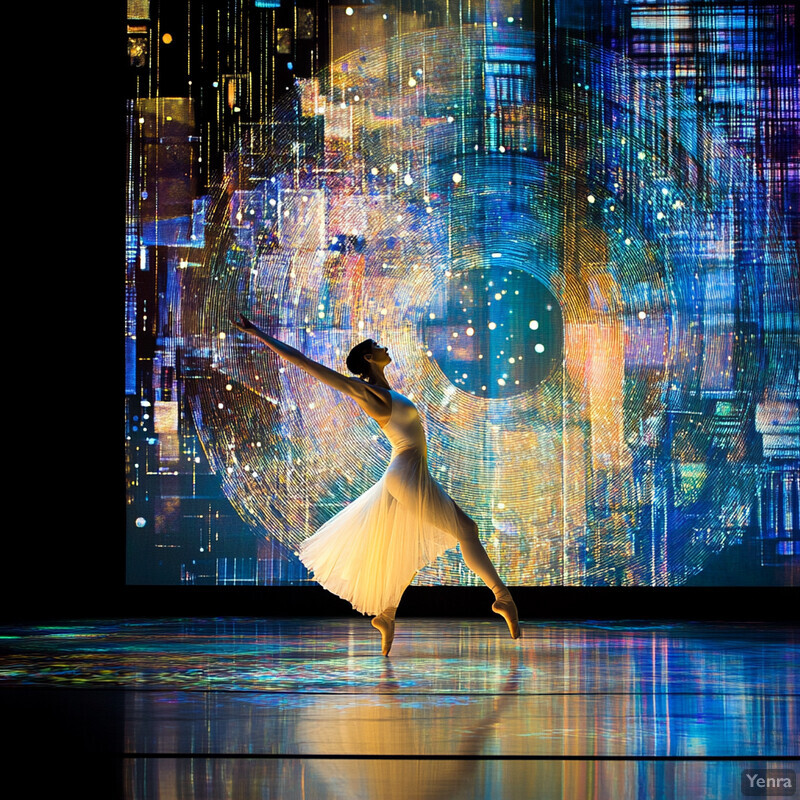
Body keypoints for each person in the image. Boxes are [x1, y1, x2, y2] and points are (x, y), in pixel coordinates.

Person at [231, 314, 520, 654]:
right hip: (407, 474)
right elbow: (306, 363)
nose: (384, 347)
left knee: (409, 550)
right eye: (377, 346)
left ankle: (386, 614)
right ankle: (503, 599)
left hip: (409, 473)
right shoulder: (367, 392)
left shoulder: (386, 391)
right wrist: (259, 334)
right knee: (467, 530)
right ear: (368, 358)